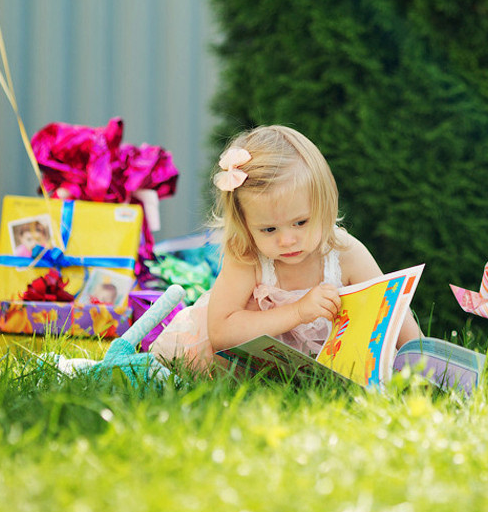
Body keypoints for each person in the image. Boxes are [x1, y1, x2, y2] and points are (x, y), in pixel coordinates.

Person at [151, 125, 422, 370]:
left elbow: (392, 315)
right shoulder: (249, 257)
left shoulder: (345, 254)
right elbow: (222, 332)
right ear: (245, 225)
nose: (287, 241)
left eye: (301, 222)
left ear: (325, 207)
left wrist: (426, 360)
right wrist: (298, 312)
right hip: (234, 365)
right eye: (269, 229)